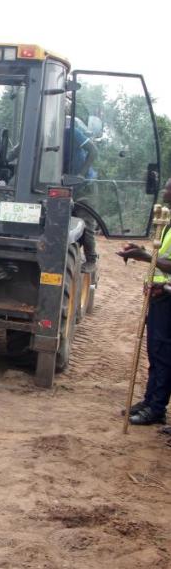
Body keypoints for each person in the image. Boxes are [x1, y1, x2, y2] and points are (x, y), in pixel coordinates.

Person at [119, 178, 171, 426]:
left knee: (163, 355)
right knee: (154, 352)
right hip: (159, 296)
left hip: (168, 299)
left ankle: (157, 408)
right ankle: (150, 400)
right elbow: (161, 258)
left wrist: (144, 256)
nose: (164, 191)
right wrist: (141, 253)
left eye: (169, 187)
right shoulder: (167, 224)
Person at [64, 113, 100, 273]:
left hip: (85, 185)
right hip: (64, 185)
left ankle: (91, 259)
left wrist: (81, 174)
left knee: (85, 222)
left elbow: (93, 151)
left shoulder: (71, 133)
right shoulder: (44, 134)